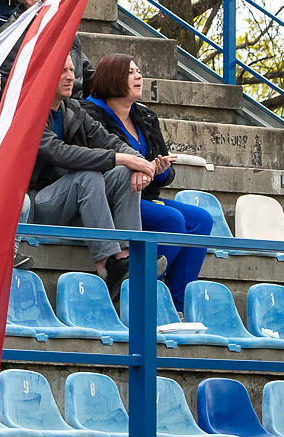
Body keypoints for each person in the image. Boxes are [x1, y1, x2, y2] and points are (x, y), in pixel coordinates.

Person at [82, 51, 208, 308]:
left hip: (146, 194)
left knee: (202, 220)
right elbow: (99, 160)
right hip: (113, 194)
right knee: (172, 220)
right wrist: (135, 166)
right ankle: (138, 291)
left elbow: (165, 174)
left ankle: (176, 304)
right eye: (130, 72)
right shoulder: (91, 114)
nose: (138, 76)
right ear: (112, 78)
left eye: (138, 71)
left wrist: (159, 169)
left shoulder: (146, 117)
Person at [26, 63, 147, 290]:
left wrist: (139, 163)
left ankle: (125, 258)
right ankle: (105, 266)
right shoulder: (30, 110)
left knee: (124, 173)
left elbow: (108, 140)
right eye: (62, 70)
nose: (70, 77)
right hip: (40, 203)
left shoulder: (72, 109)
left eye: (72, 70)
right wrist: (118, 158)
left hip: (74, 199)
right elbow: (60, 153)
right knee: (88, 176)